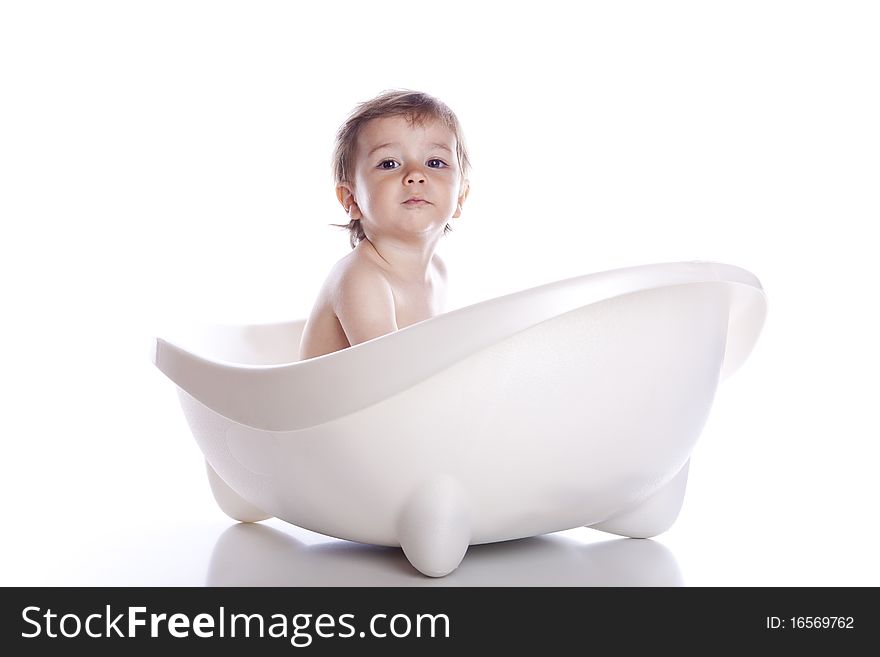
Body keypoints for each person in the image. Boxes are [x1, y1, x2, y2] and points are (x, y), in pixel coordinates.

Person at [299, 89, 471, 360]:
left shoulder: (438, 271)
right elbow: (391, 375)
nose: (415, 174)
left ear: (460, 197)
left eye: (435, 162)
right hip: (332, 403)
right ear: (351, 199)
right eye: (389, 163)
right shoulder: (362, 278)